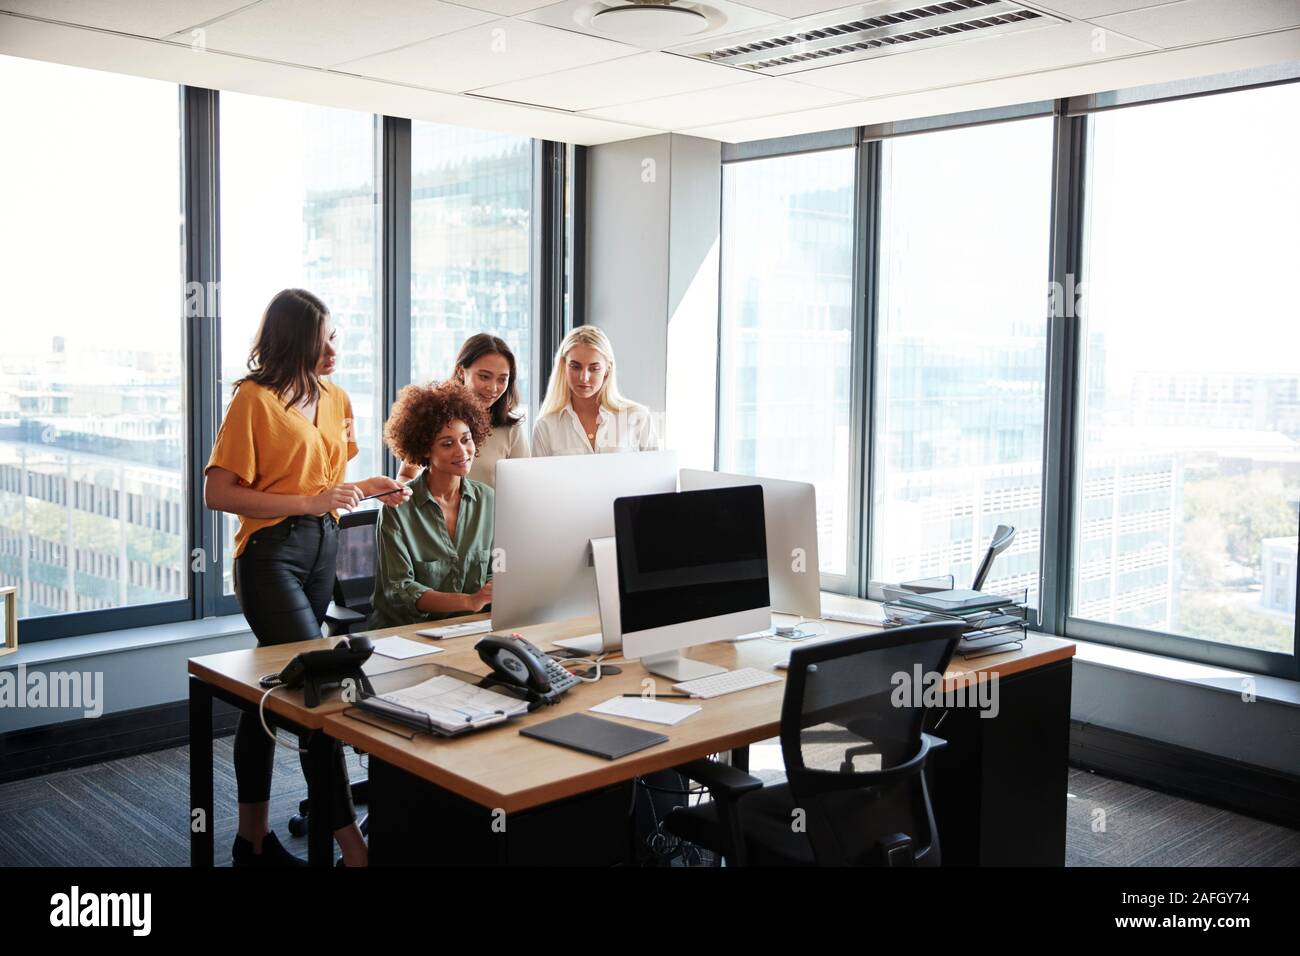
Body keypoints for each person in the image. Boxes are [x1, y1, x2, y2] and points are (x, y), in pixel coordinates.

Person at [204, 288, 410, 868]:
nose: (334, 348)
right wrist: (309, 503)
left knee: (269, 694)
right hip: (270, 555)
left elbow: (326, 486)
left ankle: (251, 843)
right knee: (320, 691)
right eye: (323, 339)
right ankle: (353, 848)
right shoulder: (253, 400)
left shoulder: (336, 398)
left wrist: (369, 487)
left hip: (324, 551)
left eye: (334, 336)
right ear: (295, 341)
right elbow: (218, 492)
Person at [369, 381, 495, 629]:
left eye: (466, 439)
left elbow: (499, 561)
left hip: (469, 628)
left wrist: (499, 582)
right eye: (447, 444)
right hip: (406, 632)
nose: (462, 451)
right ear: (425, 450)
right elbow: (400, 589)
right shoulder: (398, 508)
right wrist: (469, 601)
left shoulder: (488, 500)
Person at [397, 333, 529, 488]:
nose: (493, 388)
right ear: (461, 371)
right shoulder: (435, 417)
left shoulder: (511, 429)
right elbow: (406, 475)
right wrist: (409, 497)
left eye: (502, 379)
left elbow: (524, 486)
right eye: (484, 377)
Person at [531, 325, 658, 456]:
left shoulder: (638, 418)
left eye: (594, 369)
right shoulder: (545, 426)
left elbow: (656, 467)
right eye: (575, 367)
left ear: (607, 370)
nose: (584, 378)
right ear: (564, 366)